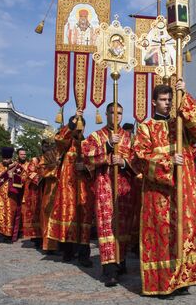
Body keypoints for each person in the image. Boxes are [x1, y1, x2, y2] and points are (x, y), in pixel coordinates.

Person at [132, 82, 196, 297]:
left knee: (184, 232)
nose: (168, 104)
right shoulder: (145, 127)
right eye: (164, 100)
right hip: (159, 192)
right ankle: (162, 283)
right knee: (163, 234)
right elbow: (139, 157)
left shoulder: (180, 124)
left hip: (185, 188)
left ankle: (183, 279)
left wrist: (184, 94)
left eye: (170, 100)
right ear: (154, 102)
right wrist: (167, 161)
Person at [82, 102, 135, 287]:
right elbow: (86, 155)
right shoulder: (96, 136)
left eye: (120, 113)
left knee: (123, 226)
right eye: (113, 113)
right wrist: (106, 146)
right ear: (106, 114)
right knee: (107, 227)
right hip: (104, 186)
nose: (117, 116)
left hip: (125, 188)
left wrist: (123, 162)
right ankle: (110, 269)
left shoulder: (129, 138)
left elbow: (138, 160)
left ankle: (121, 262)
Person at [47, 111, 94, 267]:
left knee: (84, 220)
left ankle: (83, 255)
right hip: (68, 189)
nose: (79, 131)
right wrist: (74, 120)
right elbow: (59, 138)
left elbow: (96, 162)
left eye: (81, 128)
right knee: (68, 217)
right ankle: (67, 251)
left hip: (85, 188)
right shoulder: (66, 145)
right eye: (76, 128)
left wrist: (87, 167)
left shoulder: (89, 144)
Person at [18, 148, 42, 248]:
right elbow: (30, 174)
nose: (23, 156)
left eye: (24, 154)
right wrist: (43, 179)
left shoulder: (54, 159)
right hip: (30, 192)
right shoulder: (35, 160)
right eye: (21, 154)